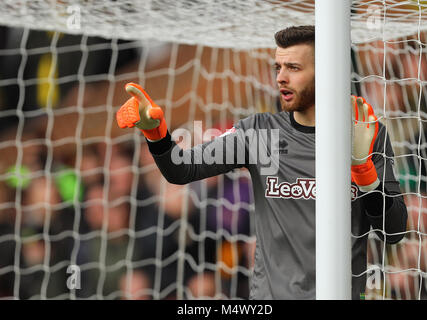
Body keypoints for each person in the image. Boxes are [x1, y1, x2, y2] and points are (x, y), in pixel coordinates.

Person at [115, 25, 408, 300]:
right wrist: (156, 133)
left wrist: (362, 167)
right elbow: (180, 169)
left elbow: (393, 231)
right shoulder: (259, 133)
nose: (280, 77)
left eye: (293, 68)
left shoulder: (365, 132)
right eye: (278, 67)